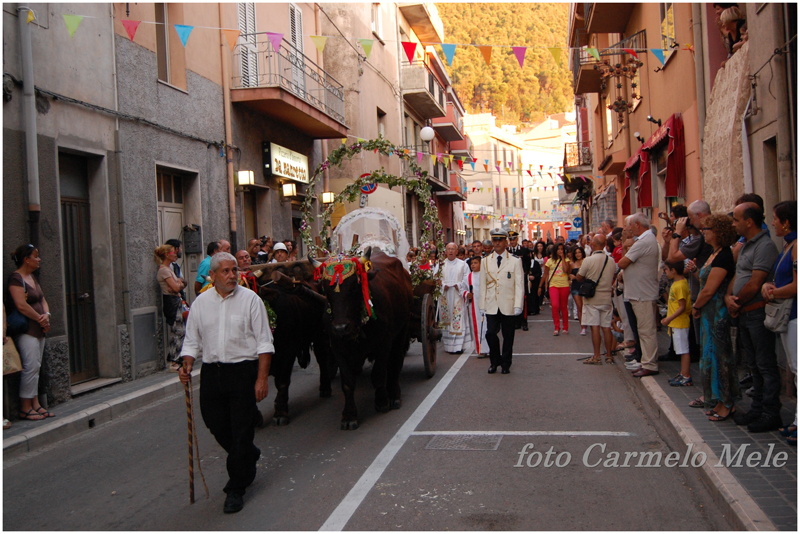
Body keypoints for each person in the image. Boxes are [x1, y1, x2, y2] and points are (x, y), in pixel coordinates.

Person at [178, 252, 273, 514]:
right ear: (213, 275)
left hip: (243, 372)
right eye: (226, 271)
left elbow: (265, 342)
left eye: (235, 270)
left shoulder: (251, 301)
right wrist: (186, 362)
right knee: (215, 423)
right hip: (212, 372)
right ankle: (248, 453)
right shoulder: (201, 303)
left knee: (241, 429)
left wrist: (261, 378)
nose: (232, 275)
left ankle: (236, 487)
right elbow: (192, 341)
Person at [728, 203, 781, 432]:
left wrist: (736, 302)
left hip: (756, 312)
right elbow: (739, 274)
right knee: (754, 365)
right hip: (744, 313)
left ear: (749, 221)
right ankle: (757, 409)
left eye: (737, 219)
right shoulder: (746, 245)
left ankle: (771, 412)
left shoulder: (765, 245)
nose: (734, 224)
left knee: (765, 364)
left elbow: (755, 281)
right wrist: (729, 296)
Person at [690, 214, 739, 420]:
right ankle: (717, 400)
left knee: (720, 357)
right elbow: (704, 281)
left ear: (718, 233)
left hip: (717, 313)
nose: (704, 233)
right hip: (709, 312)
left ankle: (727, 402)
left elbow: (710, 289)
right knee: (710, 355)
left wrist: (696, 305)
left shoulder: (723, 256)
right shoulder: (714, 253)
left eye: (707, 230)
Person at [761, 201, 797, 445]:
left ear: (786, 222)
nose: (772, 222)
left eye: (775, 218)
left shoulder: (796, 247)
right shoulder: (789, 245)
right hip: (789, 315)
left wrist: (774, 292)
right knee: (795, 369)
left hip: (795, 315)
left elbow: (797, 285)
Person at [7, 244, 53, 420]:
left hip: (39, 329)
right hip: (27, 329)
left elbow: (42, 299)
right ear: (27, 259)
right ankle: (25, 406)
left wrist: (46, 315)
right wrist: (40, 319)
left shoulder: (32, 277)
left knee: (36, 366)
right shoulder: (16, 279)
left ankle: (35, 403)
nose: (39, 259)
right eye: (36, 256)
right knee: (30, 366)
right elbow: (21, 305)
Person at [618, 213, 661, 377]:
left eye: (629, 225)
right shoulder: (645, 240)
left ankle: (650, 363)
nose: (628, 229)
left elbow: (623, 262)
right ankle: (646, 361)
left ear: (637, 224)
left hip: (642, 293)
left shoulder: (643, 241)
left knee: (646, 331)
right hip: (640, 292)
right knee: (643, 330)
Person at [478, 229, 524, 374]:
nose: (497, 243)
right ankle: (494, 361)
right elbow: (483, 285)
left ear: (505, 242)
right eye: (495, 240)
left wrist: (518, 305)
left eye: (500, 240)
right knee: (490, 333)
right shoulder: (485, 261)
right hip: (492, 304)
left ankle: (505, 364)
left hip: (508, 304)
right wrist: (482, 305)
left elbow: (519, 285)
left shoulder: (515, 261)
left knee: (508, 336)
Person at [576, 235, 615, 364]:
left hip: (592, 298)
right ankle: (609, 355)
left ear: (593, 244)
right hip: (607, 297)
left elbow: (579, 277)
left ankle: (597, 355)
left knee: (595, 327)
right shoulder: (610, 260)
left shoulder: (588, 260)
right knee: (606, 327)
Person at [155, 244, 188, 372]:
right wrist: (178, 285)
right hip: (171, 302)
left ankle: (177, 357)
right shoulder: (164, 270)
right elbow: (174, 288)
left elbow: (180, 284)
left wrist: (179, 284)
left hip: (175, 300)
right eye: (173, 252)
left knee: (180, 330)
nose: (176, 254)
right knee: (178, 331)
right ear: (166, 255)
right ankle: (174, 360)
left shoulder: (169, 269)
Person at [662, 261, 693, 386]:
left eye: (666, 269)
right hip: (677, 322)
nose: (665, 272)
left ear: (673, 270)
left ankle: (686, 375)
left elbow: (682, 306)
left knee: (683, 350)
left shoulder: (679, 285)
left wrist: (668, 319)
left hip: (679, 322)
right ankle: (682, 373)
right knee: (680, 349)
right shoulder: (678, 283)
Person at [439, 243, 470, 354]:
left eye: (453, 249)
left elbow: (467, 279)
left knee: (458, 319)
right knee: (447, 319)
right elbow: (436, 279)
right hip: (445, 295)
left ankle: (458, 346)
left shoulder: (463, 265)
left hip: (458, 295)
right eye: (449, 249)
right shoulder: (441, 264)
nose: (451, 251)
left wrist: (460, 285)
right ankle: (448, 346)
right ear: (446, 251)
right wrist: (442, 285)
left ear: (457, 251)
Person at [540, 243, 571, 336]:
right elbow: (545, 274)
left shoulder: (566, 260)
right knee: (555, 305)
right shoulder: (549, 261)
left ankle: (565, 327)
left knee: (563, 307)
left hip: (564, 285)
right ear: (555, 250)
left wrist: (562, 258)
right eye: (558, 249)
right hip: (553, 285)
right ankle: (556, 327)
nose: (560, 251)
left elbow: (566, 270)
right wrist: (540, 286)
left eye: (562, 249)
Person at [464, 256, 488, 358]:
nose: (473, 265)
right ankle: (481, 349)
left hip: (487, 305)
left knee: (488, 328)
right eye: (472, 263)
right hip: (474, 306)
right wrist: (466, 294)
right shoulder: (469, 277)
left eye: (475, 263)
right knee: (478, 327)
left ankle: (490, 348)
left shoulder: (486, 275)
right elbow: (462, 288)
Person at [506, 231, 530, 331]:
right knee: (511, 299)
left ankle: (524, 321)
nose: (512, 241)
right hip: (510, 279)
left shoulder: (524, 251)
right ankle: (515, 322)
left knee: (522, 299)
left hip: (521, 278)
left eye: (514, 239)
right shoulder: (506, 251)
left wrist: (524, 275)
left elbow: (527, 264)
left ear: (517, 239)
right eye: (510, 240)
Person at [569, 246, 586, 335]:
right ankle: (583, 327)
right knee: (579, 307)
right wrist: (570, 276)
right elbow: (568, 274)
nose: (578, 254)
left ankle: (587, 323)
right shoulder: (572, 264)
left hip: (585, 286)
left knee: (585, 307)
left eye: (579, 252)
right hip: (575, 286)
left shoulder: (586, 262)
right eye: (576, 253)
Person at [528, 241, 545, 316]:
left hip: (535, 281)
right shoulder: (525, 262)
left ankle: (535, 309)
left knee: (535, 295)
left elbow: (539, 272)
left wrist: (534, 276)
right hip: (527, 281)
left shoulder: (535, 263)